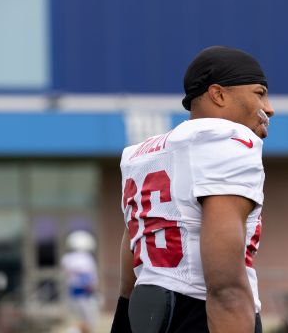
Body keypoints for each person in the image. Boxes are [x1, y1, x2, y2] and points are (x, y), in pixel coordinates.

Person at [110, 46, 275, 333]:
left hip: (147, 316)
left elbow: (129, 280)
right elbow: (225, 287)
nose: (269, 108)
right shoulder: (229, 142)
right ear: (219, 94)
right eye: (259, 93)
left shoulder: (142, 153)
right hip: (202, 317)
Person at [61, 230, 101, 333]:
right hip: (83, 295)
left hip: (74, 295)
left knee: (79, 321)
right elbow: (90, 281)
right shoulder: (86, 259)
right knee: (87, 322)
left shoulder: (66, 259)